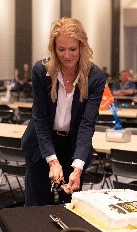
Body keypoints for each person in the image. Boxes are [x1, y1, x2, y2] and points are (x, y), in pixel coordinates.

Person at [21, 17, 106, 206]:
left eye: (73, 49)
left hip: (74, 146)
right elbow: (40, 118)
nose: (67, 55)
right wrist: (52, 160)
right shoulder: (41, 71)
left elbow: (87, 123)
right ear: (54, 48)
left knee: (71, 207)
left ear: (82, 47)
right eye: (61, 49)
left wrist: (78, 167)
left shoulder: (95, 77)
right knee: (37, 208)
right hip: (41, 145)